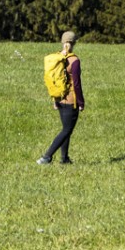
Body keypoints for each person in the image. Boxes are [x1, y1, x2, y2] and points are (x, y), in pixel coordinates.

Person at [38, 30, 84, 165]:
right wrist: (81, 102)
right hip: (71, 100)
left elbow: (54, 80)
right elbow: (76, 83)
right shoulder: (74, 60)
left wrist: (55, 100)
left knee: (66, 129)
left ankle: (64, 158)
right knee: (66, 130)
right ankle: (46, 157)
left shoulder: (57, 58)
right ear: (74, 43)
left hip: (59, 98)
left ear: (63, 42)